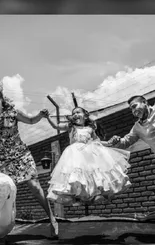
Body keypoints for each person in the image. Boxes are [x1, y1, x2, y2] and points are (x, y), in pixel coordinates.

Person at [0, 82, 58, 237]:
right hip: (2, 159)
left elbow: (31, 120)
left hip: (20, 154)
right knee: (5, 192)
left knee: (35, 186)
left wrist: (40, 115)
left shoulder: (12, 112)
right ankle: (4, 226)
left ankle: (52, 219)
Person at [46, 106, 131, 206]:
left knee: (95, 174)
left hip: (91, 154)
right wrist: (48, 117)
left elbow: (97, 142)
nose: (75, 115)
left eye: (78, 112)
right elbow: (56, 126)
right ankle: (75, 195)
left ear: (85, 116)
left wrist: (109, 143)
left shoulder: (90, 129)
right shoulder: (71, 127)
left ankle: (98, 193)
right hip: (75, 154)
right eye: (73, 113)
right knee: (76, 176)